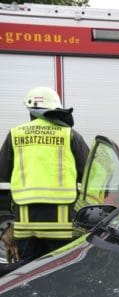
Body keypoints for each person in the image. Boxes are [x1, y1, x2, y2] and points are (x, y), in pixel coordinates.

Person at [0, 86, 90, 264]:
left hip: (26, 224)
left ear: (30, 110)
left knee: (28, 273)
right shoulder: (70, 135)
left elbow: (3, 174)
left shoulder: (15, 135)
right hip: (62, 226)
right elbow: (88, 174)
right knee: (59, 270)